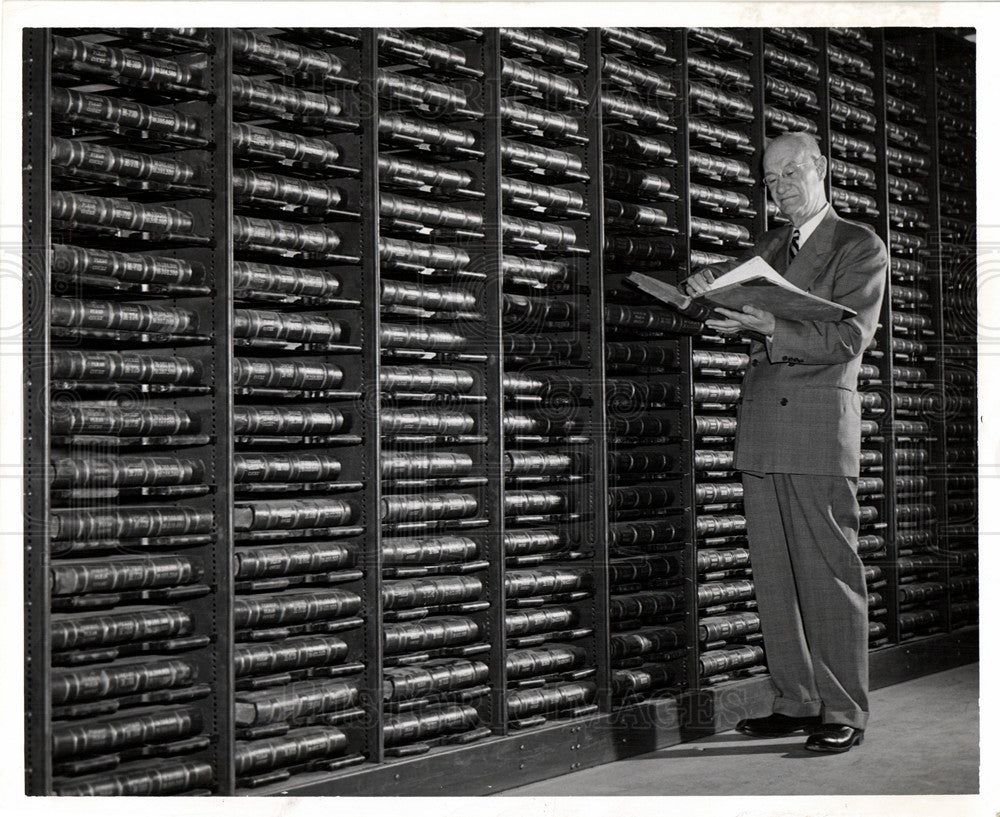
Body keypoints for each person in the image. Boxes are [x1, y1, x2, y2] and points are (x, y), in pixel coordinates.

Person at [683, 131, 887, 754]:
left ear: (822, 168)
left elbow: (848, 340)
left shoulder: (859, 246)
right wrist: (702, 295)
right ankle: (797, 701)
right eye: (771, 182)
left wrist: (773, 323)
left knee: (829, 574)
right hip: (767, 427)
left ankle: (844, 708)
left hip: (818, 426)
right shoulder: (770, 246)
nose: (781, 190)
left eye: (792, 174)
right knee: (774, 576)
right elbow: (740, 308)